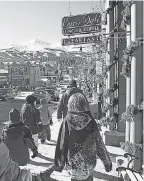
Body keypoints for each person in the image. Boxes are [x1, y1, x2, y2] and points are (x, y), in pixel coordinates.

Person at [54, 93, 112, 181]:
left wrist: (59, 164)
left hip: (73, 164)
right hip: (88, 164)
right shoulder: (91, 121)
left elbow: (62, 143)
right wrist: (107, 162)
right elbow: (99, 143)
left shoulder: (66, 121)